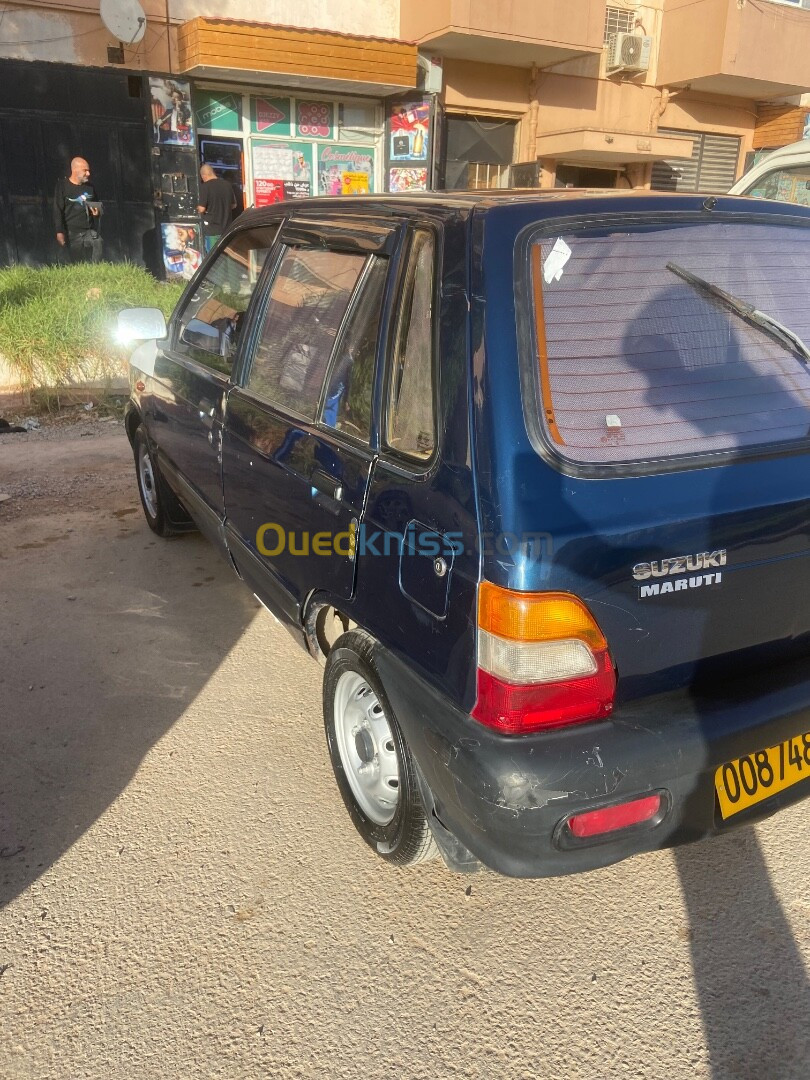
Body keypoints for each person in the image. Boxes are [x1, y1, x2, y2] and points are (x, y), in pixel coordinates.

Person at [53, 157, 102, 263]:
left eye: (89, 171)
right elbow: (57, 210)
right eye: (85, 170)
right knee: (77, 263)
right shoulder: (62, 186)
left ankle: (96, 272)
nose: (88, 173)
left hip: (89, 231)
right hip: (72, 233)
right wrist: (59, 232)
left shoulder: (90, 187)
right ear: (75, 170)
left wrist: (97, 212)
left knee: (98, 243)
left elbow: (97, 207)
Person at [197, 164, 236, 253]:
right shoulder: (227, 185)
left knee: (213, 259)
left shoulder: (205, 187)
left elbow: (202, 209)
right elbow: (234, 205)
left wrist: (198, 208)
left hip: (213, 231)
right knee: (226, 258)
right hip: (227, 230)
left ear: (204, 176)